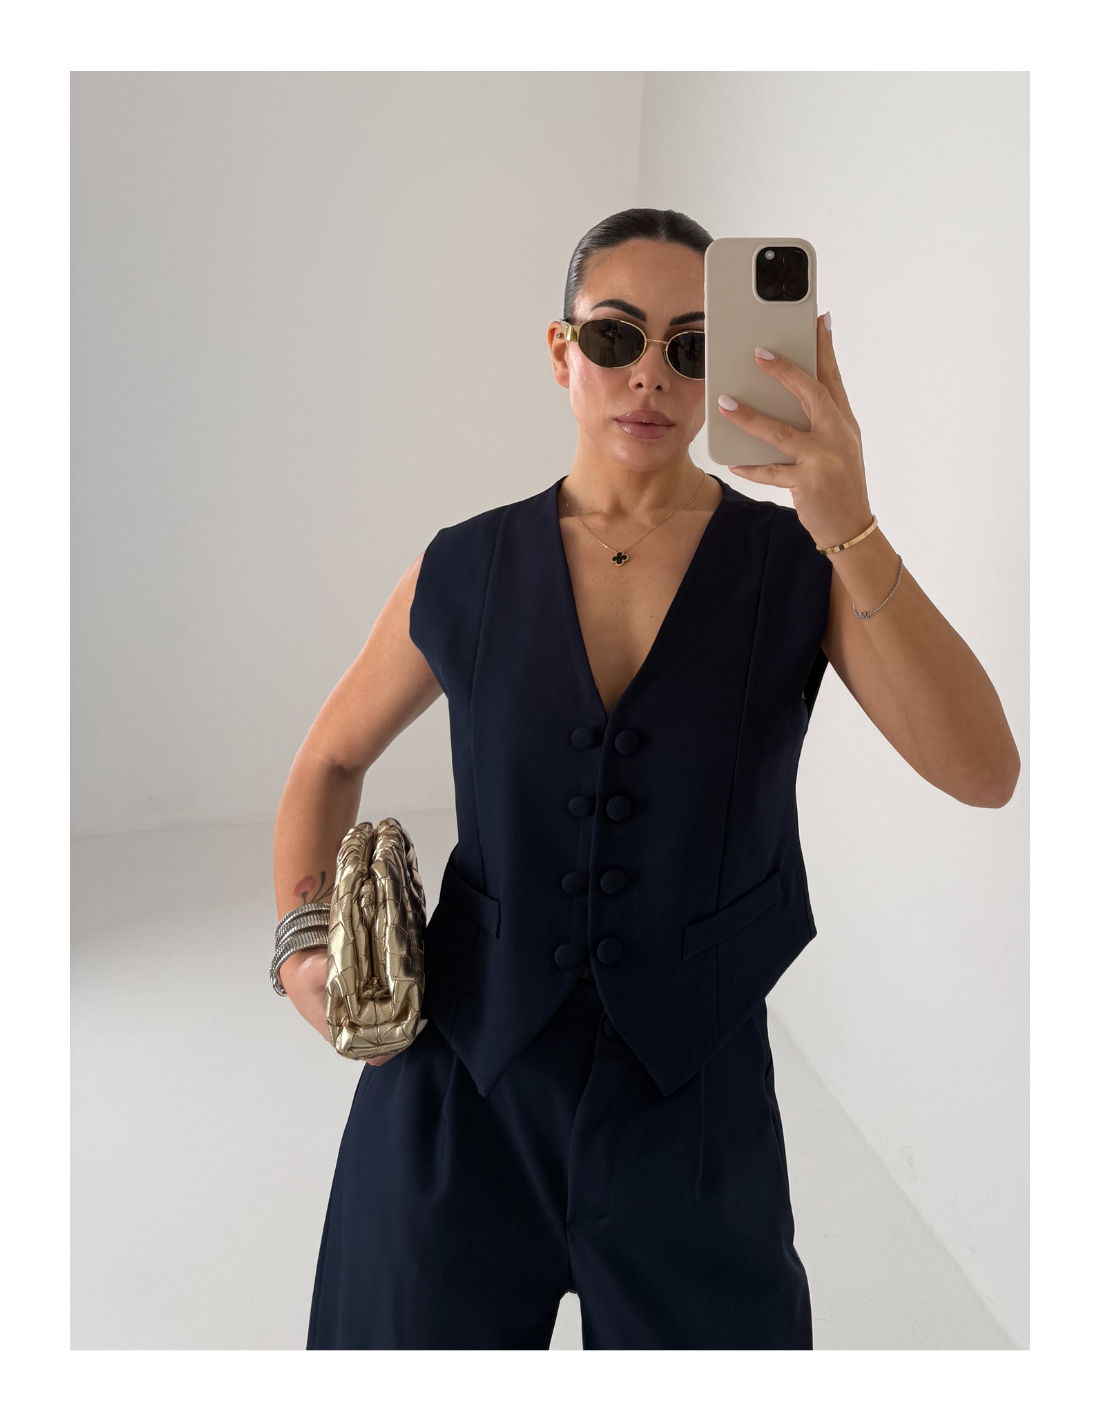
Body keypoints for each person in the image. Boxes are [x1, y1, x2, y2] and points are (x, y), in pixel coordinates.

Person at [272, 208, 1020, 1350]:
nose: (651, 376)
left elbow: (983, 771)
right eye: (616, 337)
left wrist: (849, 522)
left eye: (692, 346)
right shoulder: (465, 566)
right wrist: (302, 943)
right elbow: (328, 758)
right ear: (561, 351)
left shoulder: (797, 568)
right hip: (459, 1093)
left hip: (695, 1107)